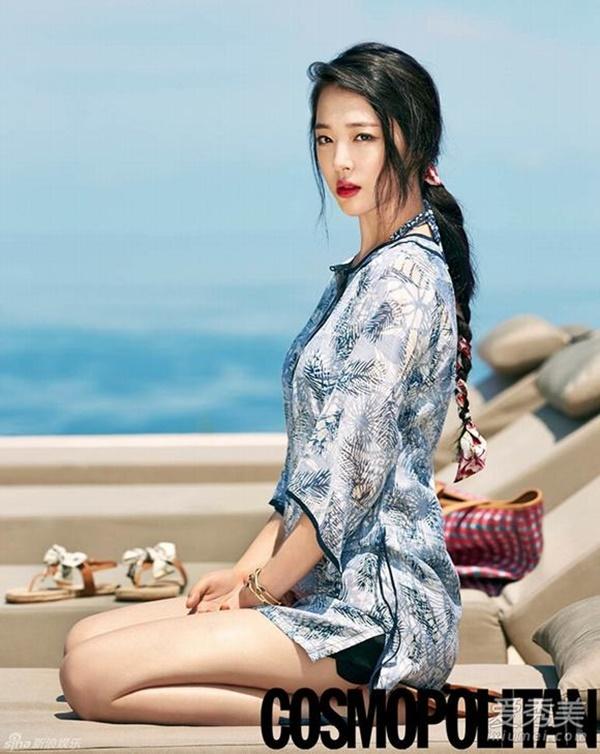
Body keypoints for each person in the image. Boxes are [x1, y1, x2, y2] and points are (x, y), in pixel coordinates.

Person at [59, 41, 487, 726]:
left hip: (373, 614)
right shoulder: (365, 271)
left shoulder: (401, 284)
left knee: (91, 677)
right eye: (324, 138)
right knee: (85, 638)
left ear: (411, 140)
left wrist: (258, 591)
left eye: (362, 138)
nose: (340, 161)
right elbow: (308, 473)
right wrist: (244, 572)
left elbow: (349, 481)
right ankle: (341, 696)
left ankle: (379, 707)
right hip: (315, 587)